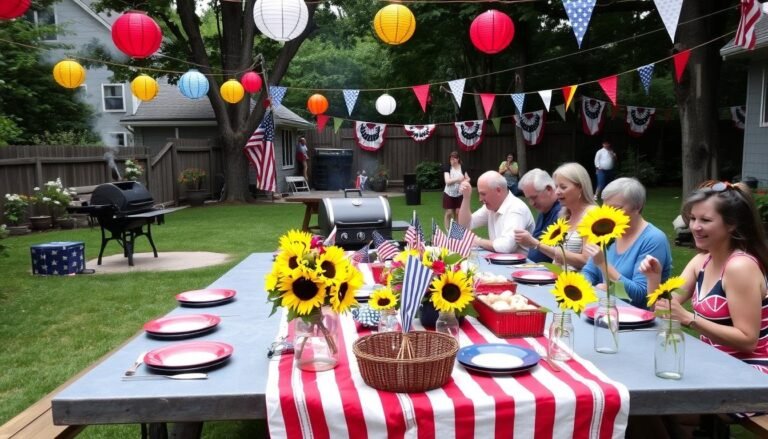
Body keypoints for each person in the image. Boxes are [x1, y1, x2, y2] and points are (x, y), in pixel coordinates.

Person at [637, 181, 768, 436]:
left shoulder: (740, 267)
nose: (695, 226)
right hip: (716, 363)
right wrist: (654, 280)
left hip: (753, 370)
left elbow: (748, 340)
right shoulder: (701, 261)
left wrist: (689, 319)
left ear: (732, 224)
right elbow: (665, 311)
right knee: (643, 401)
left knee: (657, 404)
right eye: (693, 218)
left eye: (706, 220)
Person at [581, 177, 672, 309]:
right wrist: (585, 288)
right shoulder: (608, 232)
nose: (608, 214)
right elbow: (589, 272)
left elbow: (641, 296)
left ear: (637, 207)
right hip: (605, 310)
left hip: (637, 321)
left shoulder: (653, 239)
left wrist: (603, 266)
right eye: (605, 208)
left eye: (616, 208)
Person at [534, 163, 597, 271]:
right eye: (556, 187)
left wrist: (536, 244)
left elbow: (587, 261)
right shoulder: (564, 215)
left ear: (580, 187)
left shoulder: (593, 215)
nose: (557, 192)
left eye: (563, 187)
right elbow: (558, 260)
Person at [457, 170, 535, 254]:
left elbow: (506, 247)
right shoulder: (492, 206)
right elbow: (464, 225)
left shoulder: (516, 209)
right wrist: (466, 198)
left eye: (483, 194)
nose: (480, 199)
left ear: (498, 190)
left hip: (521, 265)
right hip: (503, 262)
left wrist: (477, 241)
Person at [513, 168, 561, 263]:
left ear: (549, 189)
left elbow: (562, 256)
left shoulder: (561, 213)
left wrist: (533, 243)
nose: (531, 203)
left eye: (534, 197)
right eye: (528, 199)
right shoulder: (544, 210)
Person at [443, 151, 469, 231]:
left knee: (458, 212)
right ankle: (447, 230)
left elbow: (467, 178)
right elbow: (447, 181)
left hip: (459, 194)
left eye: (454, 159)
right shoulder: (447, 168)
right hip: (449, 193)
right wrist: (458, 179)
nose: (452, 161)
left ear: (458, 159)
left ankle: (456, 231)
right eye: (451, 159)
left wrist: (465, 181)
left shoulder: (462, 167)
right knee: (449, 212)